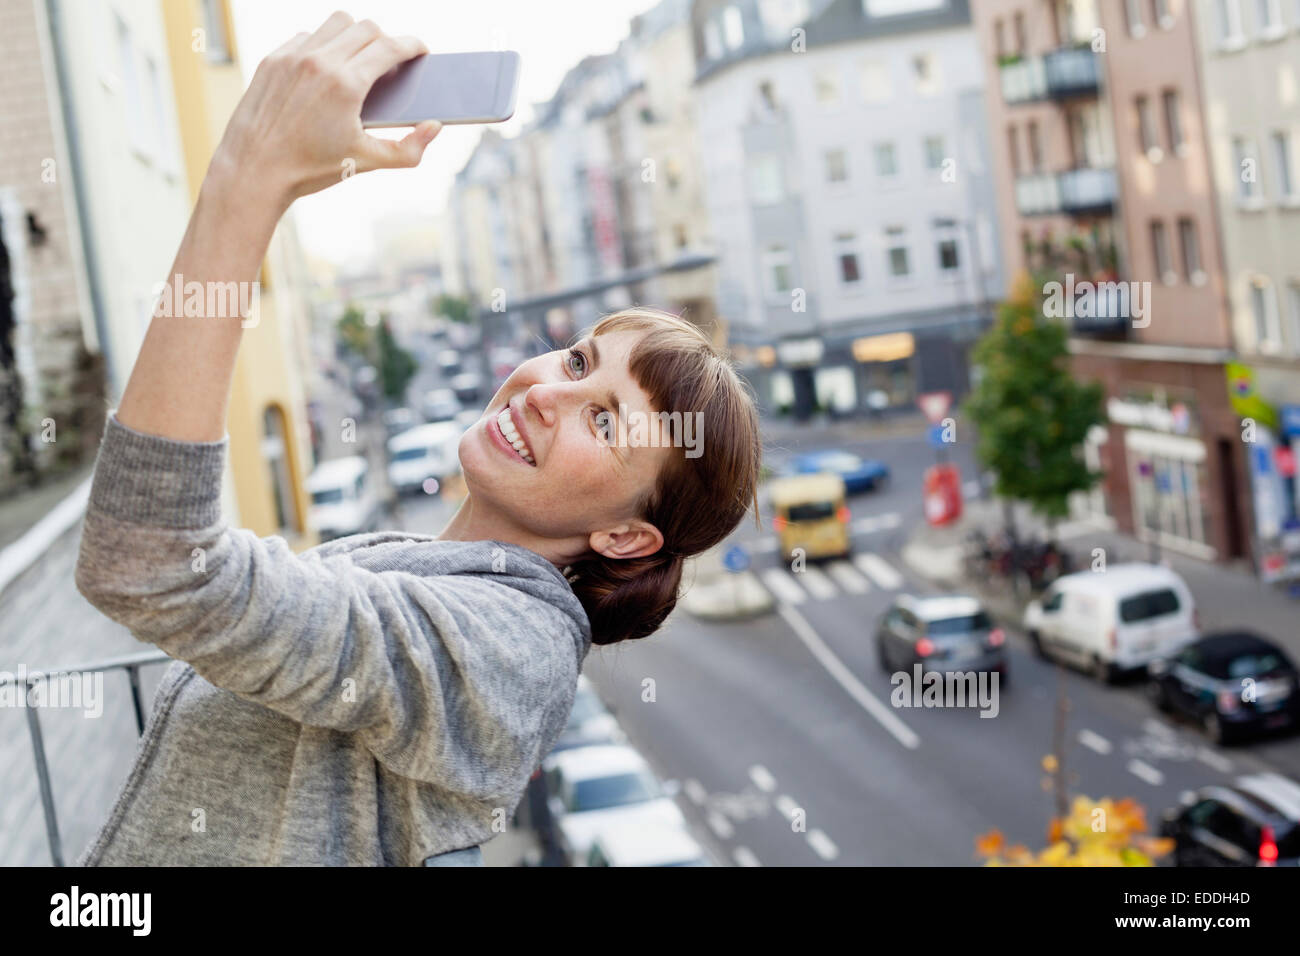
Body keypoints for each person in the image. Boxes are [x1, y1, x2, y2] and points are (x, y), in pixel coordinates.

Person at [72, 12, 761, 866]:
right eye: (580, 359)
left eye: (605, 418)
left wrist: (249, 178)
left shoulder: (510, 651)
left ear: (625, 535)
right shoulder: (429, 567)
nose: (547, 389)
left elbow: (153, 565)